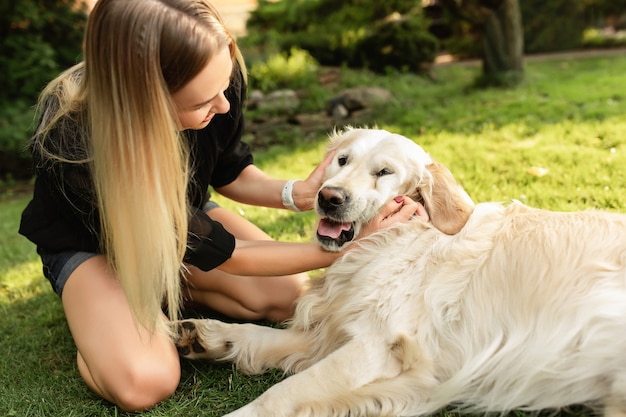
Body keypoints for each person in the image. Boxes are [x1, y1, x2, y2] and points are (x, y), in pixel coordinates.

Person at [18, 0, 424, 412]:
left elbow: (231, 170)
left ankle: (159, 288)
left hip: (186, 226)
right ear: (143, 101)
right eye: (201, 103)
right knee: (145, 382)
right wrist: (346, 249)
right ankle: (109, 322)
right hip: (95, 248)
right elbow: (230, 255)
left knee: (291, 300)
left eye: (223, 87)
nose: (224, 106)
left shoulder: (215, 83)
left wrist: (295, 193)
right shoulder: (71, 146)